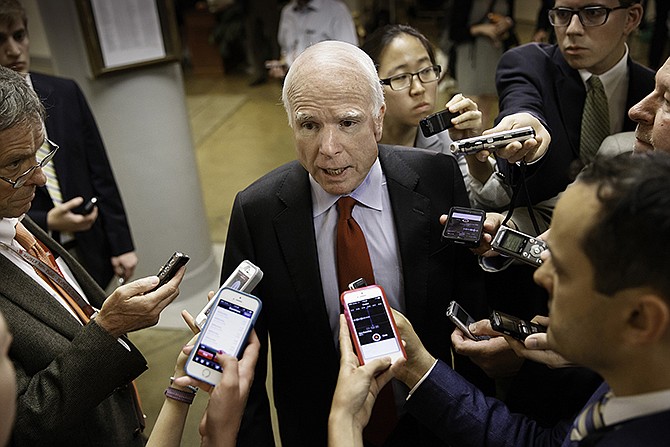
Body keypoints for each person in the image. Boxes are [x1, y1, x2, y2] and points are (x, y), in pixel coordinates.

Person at [221, 40, 491, 446]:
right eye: (309, 125)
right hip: (316, 429)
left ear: (378, 119)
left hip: (434, 422)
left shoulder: (437, 179)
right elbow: (241, 365)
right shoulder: (256, 212)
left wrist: (478, 426)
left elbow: (471, 313)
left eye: (347, 123)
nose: (328, 150)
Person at [332, 150, 670, 446]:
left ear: (641, 319)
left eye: (564, 269)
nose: (540, 275)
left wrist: (344, 424)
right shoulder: (634, 375)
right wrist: (419, 366)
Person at [0, 64, 184, 445]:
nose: (37, 176)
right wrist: (108, 329)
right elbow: (22, 423)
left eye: (38, 153)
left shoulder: (13, 216)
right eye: (15, 164)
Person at [0, 0, 138, 289]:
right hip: (30, 247)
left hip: (90, 245)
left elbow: (99, 169)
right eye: (0, 40)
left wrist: (121, 243)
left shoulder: (64, 91)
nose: (13, 50)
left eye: (19, 35)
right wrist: (46, 219)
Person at [489, 0, 654, 207]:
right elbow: (521, 101)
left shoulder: (652, 89)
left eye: (593, 13)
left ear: (631, 18)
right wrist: (524, 127)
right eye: (562, 14)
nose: (572, 29)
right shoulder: (529, 64)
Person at [360, 23, 510, 210]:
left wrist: (472, 148)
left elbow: (492, 202)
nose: (418, 88)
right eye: (400, 77)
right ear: (371, 86)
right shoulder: (356, 147)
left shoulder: (447, 141)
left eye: (425, 71)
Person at [449, 0, 517, 127]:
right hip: (469, 55)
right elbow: (454, 32)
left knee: (486, 107)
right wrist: (480, 29)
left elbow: (512, 25)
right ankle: (467, 141)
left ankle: (481, 142)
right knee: (468, 104)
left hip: (494, 52)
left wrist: (507, 23)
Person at [265, 0, 358, 79]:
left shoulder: (337, 11)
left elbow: (349, 58)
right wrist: (283, 66)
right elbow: (286, 49)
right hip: (293, 83)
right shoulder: (287, 12)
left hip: (325, 84)